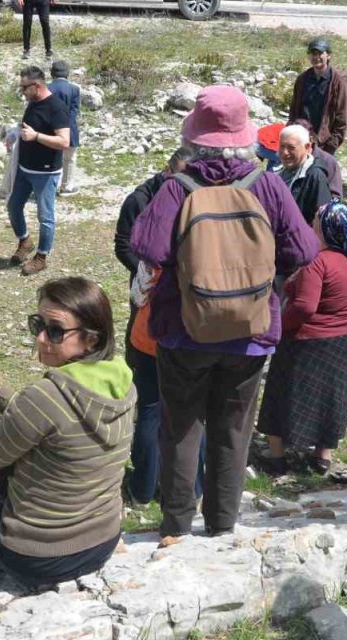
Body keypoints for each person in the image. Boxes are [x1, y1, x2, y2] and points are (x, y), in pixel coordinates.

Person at [130, 85, 318, 543]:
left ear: (194, 139)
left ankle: (175, 526)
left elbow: (145, 247)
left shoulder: (178, 188)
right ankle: (222, 527)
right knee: (233, 430)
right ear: (247, 137)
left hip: (183, 331)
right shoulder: (268, 184)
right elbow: (305, 250)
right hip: (250, 331)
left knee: (180, 429)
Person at [0, 277, 135, 585]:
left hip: (37, 560)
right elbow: (51, 419)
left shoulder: (46, 396)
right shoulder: (123, 382)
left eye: (56, 330)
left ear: (90, 339)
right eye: (38, 325)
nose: (41, 338)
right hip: (102, 543)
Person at [114, 147, 204, 506]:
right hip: (180, 329)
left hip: (154, 327)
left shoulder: (170, 215)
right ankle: (178, 488)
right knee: (168, 409)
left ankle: (148, 489)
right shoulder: (149, 202)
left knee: (156, 408)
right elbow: (123, 245)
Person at [257, 200, 347, 476]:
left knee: (283, 392)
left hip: (307, 339)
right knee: (332, 394)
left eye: (316, 222)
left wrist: (277, 328)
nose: (310, 225)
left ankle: (276, 453)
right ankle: (322, 456)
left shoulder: (316, 262)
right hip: (344, 338)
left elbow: (305, 306)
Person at [7, 66, 71, 277]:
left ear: (37, 86)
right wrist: (14, 134)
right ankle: (25, 241)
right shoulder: (33, 103)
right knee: (13, 206)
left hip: (45, 173)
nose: (22, 91)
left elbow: (64, 141)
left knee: (45, 216)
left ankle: (41, 257)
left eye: (24, 87)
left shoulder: (57, 108)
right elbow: (28, 127)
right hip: (24, 169)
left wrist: (36, 137)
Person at [288, 38, 347, 154]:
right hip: (302, 139)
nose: (316, 57)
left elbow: (343, 115)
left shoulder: (338, 82)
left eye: (320, 53)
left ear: (328, 56)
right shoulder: (302, 79)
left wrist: (333, 143)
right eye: (313, 53)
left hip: (324, 143)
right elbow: (294, 110)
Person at [277, 124, 331, 225]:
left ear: (307, 147)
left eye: (291, 148)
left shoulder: (315, 176)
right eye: (282, 146)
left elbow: (323, 219)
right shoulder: (276, 172)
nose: (285, 152)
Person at [47, 60, 81, 194]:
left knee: (50, 160)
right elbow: (74, 112)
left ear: (52, 73)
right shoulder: (74, 89)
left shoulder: (47, 88)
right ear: (67, 74)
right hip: (69, 128)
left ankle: (49, 187)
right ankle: (66, 187)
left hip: (50, 130)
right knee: (70, 159)